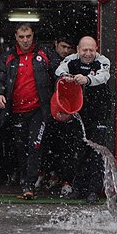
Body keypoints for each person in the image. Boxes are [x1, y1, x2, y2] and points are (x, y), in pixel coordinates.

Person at [0, 23, 53, 199]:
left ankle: (29, 185)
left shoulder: (44, 54)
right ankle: (24, 181)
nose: (25, 41)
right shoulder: (8, 57)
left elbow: (59, 73)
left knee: (35, 145)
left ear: (33, 36)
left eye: (29, 37)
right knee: (21, 148)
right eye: (22, 37)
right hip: (17, 111)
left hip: (38, 110)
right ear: (16, 37)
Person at [55, 36, 112, 204]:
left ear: (96, 50)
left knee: (96, 153)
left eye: (91, 50)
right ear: (78, 49)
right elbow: (59, 71)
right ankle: (78, 188)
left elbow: (103, 76)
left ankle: (94, 190)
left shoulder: (102, 61)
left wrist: (87, 79)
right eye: (84, 50)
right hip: (78, 114)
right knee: (78, 151)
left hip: (99, 114)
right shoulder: (71, 60)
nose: (88, 54)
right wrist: (68, 77)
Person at [39, 35, 78, 197]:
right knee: (47, 145)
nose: (65, 51)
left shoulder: (76, 61)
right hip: (50, 110)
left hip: (70, 110)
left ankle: (66, 181)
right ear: (55, 44)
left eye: (69, 48)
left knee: (68, 148)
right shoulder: (46, 60)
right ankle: (50, 174)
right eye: (63, 46)